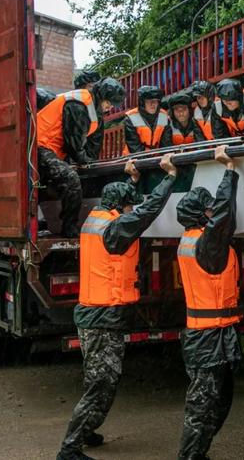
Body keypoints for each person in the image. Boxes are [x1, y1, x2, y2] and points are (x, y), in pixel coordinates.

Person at [56, 154, 178, 460]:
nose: (130, 209)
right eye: (128, 205)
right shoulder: (114, 229)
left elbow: (125, 209)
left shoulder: (97, 218)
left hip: (99, 316)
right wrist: (170, 178)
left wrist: (132, 181)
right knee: (100, 383)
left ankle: (86, 430)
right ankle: (69, 449)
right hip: (100, 318)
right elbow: (146, 213)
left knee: (105, 380)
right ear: (118, 207)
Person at [175, 145, 241, 460]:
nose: (214, 212)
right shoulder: (205, 246)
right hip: (207, 338)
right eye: (209, 209)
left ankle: (198, 453)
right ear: (202, 216)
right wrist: (229, 171)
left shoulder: (191, 240)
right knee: (202, 407)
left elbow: (221, 220)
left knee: (220, 401)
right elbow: (225, 218)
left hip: (214, 335)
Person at [36, 77, 125, 237]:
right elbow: (74, 144)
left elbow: (91, 148)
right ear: (102, 95)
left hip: (54, 149)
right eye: (109, 103)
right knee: (71, 180)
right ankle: (69, 228)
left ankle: (60, 223)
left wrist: (90, 163)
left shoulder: (95, 112)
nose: (110, 107)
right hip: (40, 144)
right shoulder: (79, 104)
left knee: (65, 179)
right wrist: (82, 160)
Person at [122, 85, 168, 154]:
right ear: (142, 103)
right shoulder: (130, 118)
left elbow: (166, 142)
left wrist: (162, 157)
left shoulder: (164, 116)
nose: (153, 104)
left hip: (157, 158)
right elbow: (134, 145)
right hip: (133, 158)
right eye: (149, 101)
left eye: (155, 101)